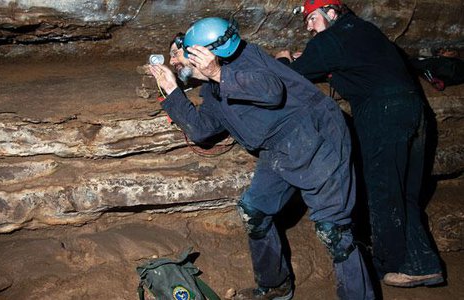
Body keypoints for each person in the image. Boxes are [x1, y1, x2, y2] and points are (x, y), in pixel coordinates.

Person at [149, 16, 374, 299]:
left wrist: (218, 73)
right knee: (254, 210)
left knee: (334, 231)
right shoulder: (212, 89)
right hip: (279, 148)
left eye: (177, 54)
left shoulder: (247, 60)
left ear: (203, 54)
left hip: (318, 137)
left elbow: (270, 90)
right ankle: (275, 286)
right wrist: (171, 91)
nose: (173, 61)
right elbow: (202, 129)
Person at [275, 0, 444, 287]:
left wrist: (283, 59)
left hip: (383, 114)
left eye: (312, 18)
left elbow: (292, 75)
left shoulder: (330, 38)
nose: (309, 26)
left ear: (331, 12)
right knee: (405, 192)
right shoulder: (366, 30)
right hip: (415, 111)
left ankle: (388, 265)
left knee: (382, 189)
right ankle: (423, 262)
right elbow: (358, 66)